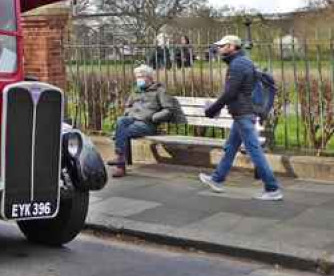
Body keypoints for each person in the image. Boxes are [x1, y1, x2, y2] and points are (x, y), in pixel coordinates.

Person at [198, 35, 283, 201]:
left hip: (243, 113)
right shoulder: (241, 61)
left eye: (222, 46)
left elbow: (231, 92)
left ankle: (273, 189)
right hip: (242, 113)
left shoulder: (238, 64)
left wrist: (212, 109)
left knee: (254, 151)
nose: (219, 49)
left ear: (231, 46)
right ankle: (217, 179)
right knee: (230, 147)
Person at [108, 64, 180, 178]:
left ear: (150, 77)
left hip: (147, 124)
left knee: (122, 132)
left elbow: (169, 109)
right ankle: (120, 159)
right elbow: (128, 105)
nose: (138, 79)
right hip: (132, 120)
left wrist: (154, 117)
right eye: (137, 77)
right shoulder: (136, 91)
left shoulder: (159, 91)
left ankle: (120, 164)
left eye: (141, 76)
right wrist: (128, 113)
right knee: (121, 120)